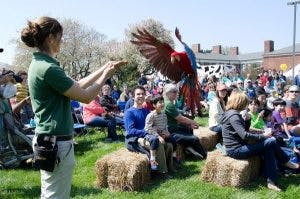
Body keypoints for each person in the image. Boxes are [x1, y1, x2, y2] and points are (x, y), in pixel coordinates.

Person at [21, 16, 127, 199]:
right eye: (60, 37)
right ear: (51, 38)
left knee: (51, 193)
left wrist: (104, 68)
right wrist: (106, 76)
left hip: (49, 140)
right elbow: (85, 96)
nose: (62, 41)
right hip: (56, 141)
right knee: (56, 196)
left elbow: (77, 84)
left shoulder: (40, 65)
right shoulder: (48, 69)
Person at [221, 91, 299, 191]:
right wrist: (263, 136)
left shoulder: (232, 113)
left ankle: (271, 181)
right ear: (239, 102)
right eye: (245, 103)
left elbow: (245, 130)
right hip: (236, 150)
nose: (246, 105)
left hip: (238, 147)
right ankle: (286, 162)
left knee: (269, 147)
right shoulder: (234, 115)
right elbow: (244, 135)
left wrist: (247, 120)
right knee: (270, 141)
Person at [124, 86, 169, 172]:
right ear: (133, 97)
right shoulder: (129, 112)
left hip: (149, 135)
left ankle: (170, 166)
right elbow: (130, 130)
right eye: (138, 94)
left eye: (143, 94)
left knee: (168, 144)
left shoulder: (146, 111)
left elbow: (153, 125)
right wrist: (146, 132)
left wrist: (160, 132)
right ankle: (162, 172)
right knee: (158, 144)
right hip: (135, 139)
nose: (141, 96)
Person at [163, 83, 207, 159]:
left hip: (171, 128)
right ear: (168, 92)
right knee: (195, 139)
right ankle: (204, 156)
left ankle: (188, 147)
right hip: (170, 132)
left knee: (188, 128)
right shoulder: (168, 104)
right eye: (174, 91)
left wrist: (189, 124)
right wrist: (193, 122)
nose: (177, 93)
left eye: (177, 91)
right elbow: (180, 118)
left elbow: (176, 119)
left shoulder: (167, 102)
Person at [144, 95, 175, 174]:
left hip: (161, 134)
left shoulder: (164, 115)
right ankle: (153, 159)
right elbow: (148, 128)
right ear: (154, 105)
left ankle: (174, 158)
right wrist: (158, 136)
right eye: (159, 102)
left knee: (173, 139)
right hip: (151, 134)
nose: (162, 104)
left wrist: (166, 133)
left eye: (162, 102)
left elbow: (165, 126)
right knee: (155, 141)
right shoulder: (151, 115)